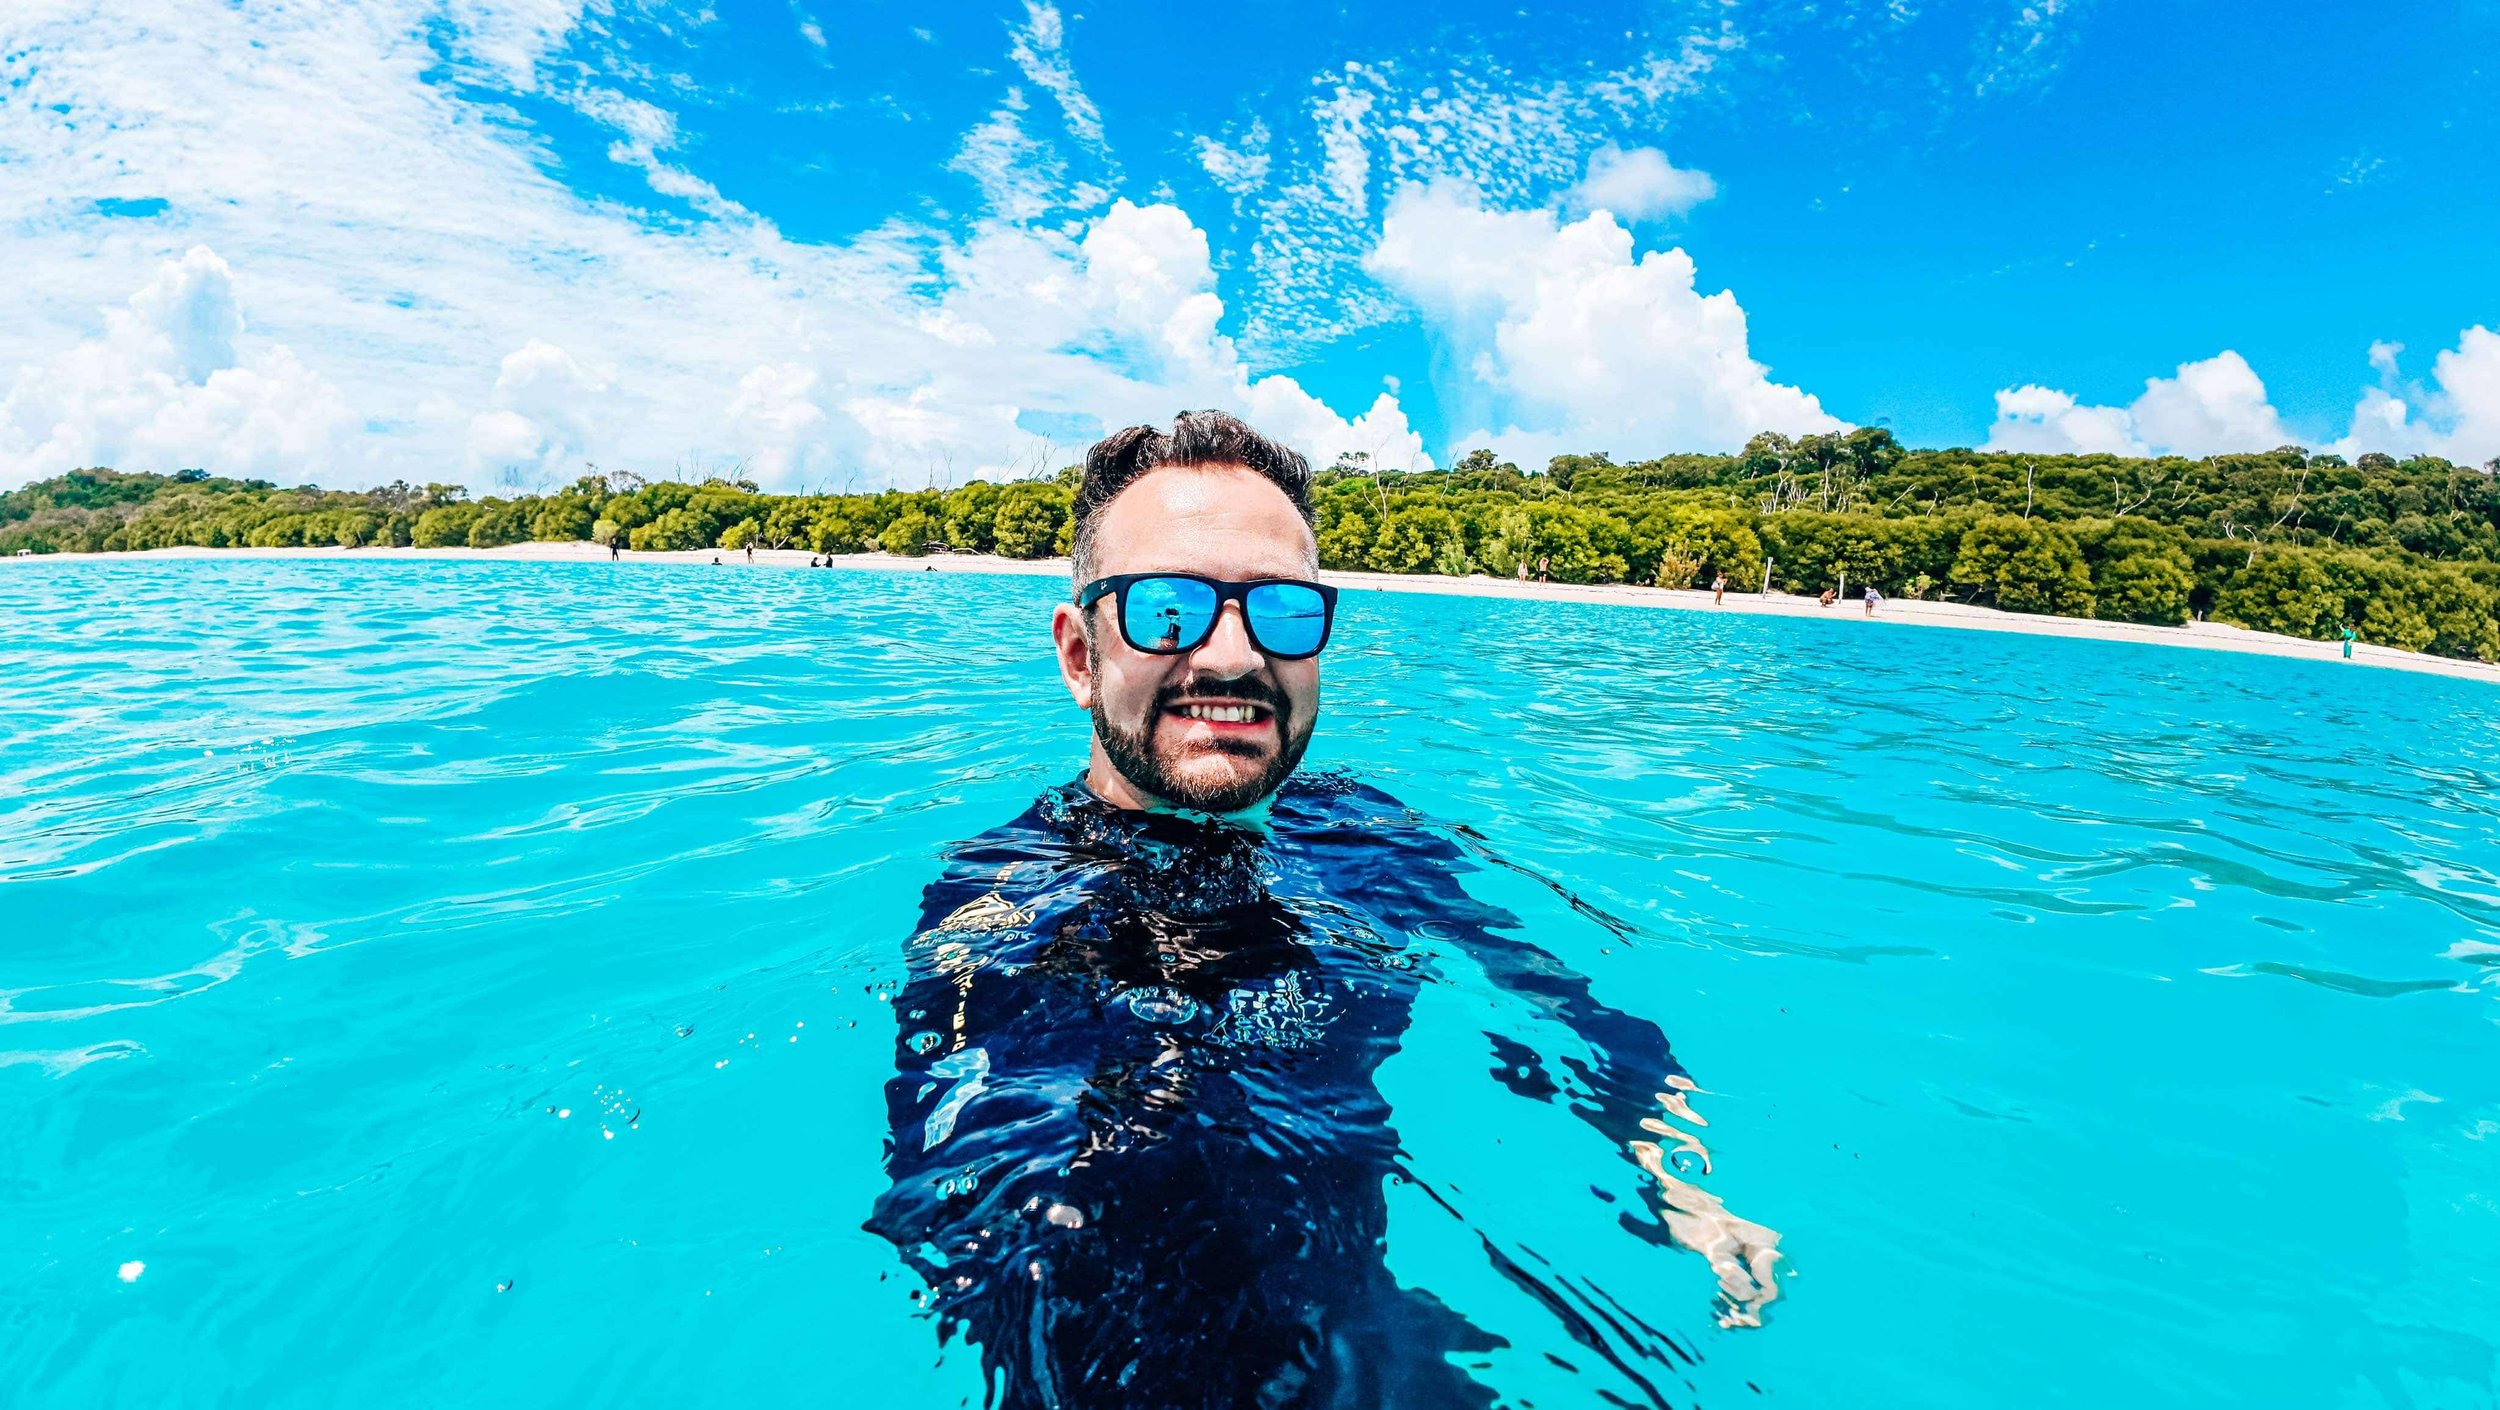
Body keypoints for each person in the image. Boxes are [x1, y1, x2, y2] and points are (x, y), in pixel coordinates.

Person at [868, 411, 1782, 1410]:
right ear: (1080, 657)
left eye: (1282, 613)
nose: (1231, 656)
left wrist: (1671, 1160)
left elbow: (1558, 1001)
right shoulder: (1011, 897)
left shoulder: (1370, 834)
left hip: (1365, 1333)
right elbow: (964, 1193)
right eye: (1165, 611)